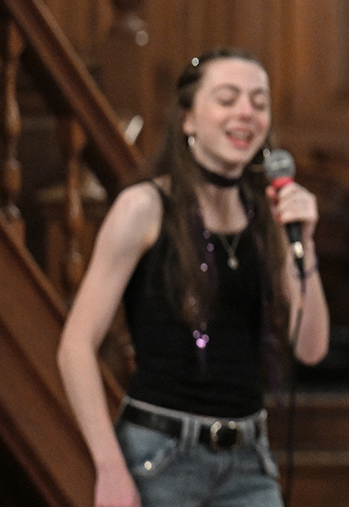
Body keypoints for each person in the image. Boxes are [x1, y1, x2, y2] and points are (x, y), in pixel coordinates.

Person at [57, 47, 331, 507]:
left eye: (259, 102)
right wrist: (109, 466)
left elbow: (311, 346)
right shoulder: (144, 208)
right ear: (187, 120)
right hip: (161, 454)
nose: (246, 112)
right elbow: (75, 347)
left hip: (249, 461)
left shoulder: (267, 216)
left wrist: (304, 243)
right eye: (227, 99)